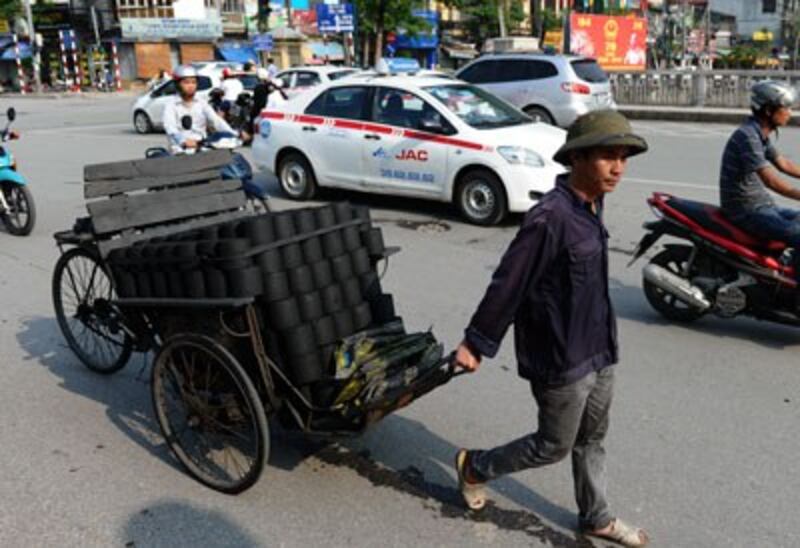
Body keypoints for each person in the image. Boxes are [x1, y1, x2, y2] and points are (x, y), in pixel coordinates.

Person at [453, 110, 651, 547]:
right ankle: (476, 466)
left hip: (599, 347)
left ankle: (596, 516)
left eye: (623, 157)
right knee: (554, 445)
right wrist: (476, 342)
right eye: (607, 156)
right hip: (561, 357)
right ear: (577, 158)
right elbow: (510, 282)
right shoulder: (549, 218)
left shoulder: (593, 202)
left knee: (593, 439)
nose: (618, 167)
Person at [719, 80, 800, 285]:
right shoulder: (747, 136)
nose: (790, 113)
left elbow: (784, 164)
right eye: (786, 108)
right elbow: (770, 180)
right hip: (745, 210)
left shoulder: (760, 134)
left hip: (761, 205)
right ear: (768, 110)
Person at [162, 65, 236, 154]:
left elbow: (216, 120)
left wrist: (233, 134)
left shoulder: (202, 103)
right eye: (186, 82)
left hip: (201, 149)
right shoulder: (171, 105)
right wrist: (183, 141)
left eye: (193, 82)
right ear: (177, 85)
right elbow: (170, 127)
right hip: (179, 151)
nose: (191, 86)